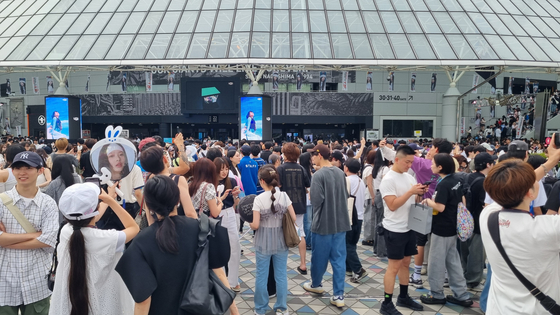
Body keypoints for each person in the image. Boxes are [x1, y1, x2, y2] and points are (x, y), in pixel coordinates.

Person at [116, 175, 238, 315]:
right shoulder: (202, 228)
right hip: (201, 308)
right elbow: (220, 275)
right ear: (178, 200)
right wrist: (235, 312)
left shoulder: (141, 242)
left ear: (149, 205)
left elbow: (143, 299)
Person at [480, 158, 560, 315]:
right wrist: (554, 158)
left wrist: (554, 159)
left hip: (498, 309)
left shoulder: (488, 217)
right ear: (530, 192)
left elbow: (511, 187)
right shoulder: (550, 228)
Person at [48, 182, 139, 315]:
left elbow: (87, 218)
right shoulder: (107, 239)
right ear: (95, 209)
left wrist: (109, 198)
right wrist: (110, 201)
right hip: (103, 307)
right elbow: (134, 228)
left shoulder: (66, 232)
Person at [0, 151, 59, 314]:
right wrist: (34, 235)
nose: (22, 172)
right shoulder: (1, 201)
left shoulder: (48, 204)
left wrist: (6, 241)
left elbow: (48, 241)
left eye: (28, 168)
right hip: (4, 281)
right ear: (12, 171)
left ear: (40, 170)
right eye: (18, 168)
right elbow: (44, 238)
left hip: (37, 281)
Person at [419, 154, 473, 307]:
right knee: (453, 262)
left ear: (440, 167)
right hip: (453, 225)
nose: (431, 166)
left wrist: (429, 201)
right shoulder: (456, 179)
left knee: (436, 262)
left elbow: (440, 207)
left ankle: (436, 294)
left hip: (441, 228)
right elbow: (462, 200)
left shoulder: (443, 184)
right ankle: (462, 295)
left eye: (433, 163)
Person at [378, 145, 425, 315]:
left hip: (409, 227)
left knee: (406, 263)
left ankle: (403, 296)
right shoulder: (388, 179)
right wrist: (411, 191)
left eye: (412, 162)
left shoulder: (409, 177)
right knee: (394, 267)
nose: (409, 165)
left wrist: (419, 193)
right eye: (407, 162)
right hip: (394, 229)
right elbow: (392, 205)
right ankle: (387, 303)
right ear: (396, 159)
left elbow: (413, 200)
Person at [303, 144, 351, 308]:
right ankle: (339, 295)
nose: (311, 158)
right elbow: (345, 195)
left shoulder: (318, 175)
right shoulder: (340, 172)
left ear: (318, 155)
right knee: (339, 260)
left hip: (323, 224)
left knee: (319, 258)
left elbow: (316, 201)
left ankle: (316, 285)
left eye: (312, 155)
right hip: (341, 222)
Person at [249, 165, 295, 315]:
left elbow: (255, 225)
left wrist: (248, 223)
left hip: (263, 241)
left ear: (262, 181)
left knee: (261, 275)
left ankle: (260, 309)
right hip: (281, 239)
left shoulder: (258, 199)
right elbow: (293, 218)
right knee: (281, 275)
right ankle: (282, 308)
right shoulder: (284, 196)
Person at [460, 152, 496, 292]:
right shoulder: (484, 182)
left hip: (464, 220)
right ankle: (473, 280)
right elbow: (484, 204)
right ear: (488, 164)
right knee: (477, 253)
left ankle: (463, 275)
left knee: (464, 251)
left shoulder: (469, 176)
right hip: (478, 222)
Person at [277, 142, 310, 275]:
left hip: (284, 206)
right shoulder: (301, 168)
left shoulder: (281, 169)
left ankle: (281, 264)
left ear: (285, 154)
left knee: (281, 232)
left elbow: (278, 187)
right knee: (300, 232)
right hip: (299, 204)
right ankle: (303, 263)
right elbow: (307, 186)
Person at [139, 146, 197, 221]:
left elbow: (150, 218)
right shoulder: (178, 180)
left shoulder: (149, 183)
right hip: (180, 227)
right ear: (164, 159)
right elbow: (190, 213)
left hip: (158, 230)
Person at [214, 157, 242, 292]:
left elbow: (236, 203)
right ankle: (220, 279)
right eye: (221, 169)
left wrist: (236, 195)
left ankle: (233, 280)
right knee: (218, 248)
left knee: (235, 245)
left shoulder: (231, 181)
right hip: (215, 215)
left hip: (229, 213)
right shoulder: (209, 183)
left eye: (226, 169)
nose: (224, 172)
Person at [344, 158, 368, 283]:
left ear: (346, 168)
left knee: (347, 245)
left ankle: (359, 270)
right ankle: (348, 268)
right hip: (359, 217)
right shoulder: (360, 181)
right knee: (352, 244)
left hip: (349, 218)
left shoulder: (346, 180)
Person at [44, 155, 82, 223]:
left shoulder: (55, 183)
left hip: (60, 219)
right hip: (78, 215)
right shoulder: (78, 178)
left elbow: (47, 199)